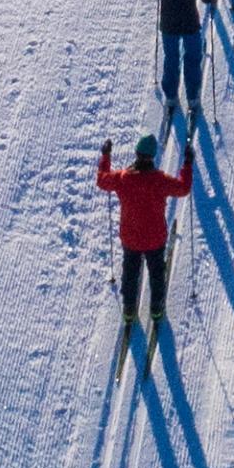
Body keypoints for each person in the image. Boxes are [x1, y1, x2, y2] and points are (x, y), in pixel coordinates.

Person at [96, 132, 193, 344]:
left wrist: (105, 156)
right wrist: (187, 163)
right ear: (152, 156)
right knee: (157, 272)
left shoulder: (123, 179)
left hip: (130, 237)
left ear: (137, 154)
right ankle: (156, 309)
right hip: (155, 238)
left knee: (130, 272)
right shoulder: (159, 180)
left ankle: (129, 310)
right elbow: (184, 188)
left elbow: (102, 181)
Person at [140, 0, 217, 115]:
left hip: (169, 26)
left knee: (171, 59)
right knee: (192, 58)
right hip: (190, 23)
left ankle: (171, 96)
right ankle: (192, 97)